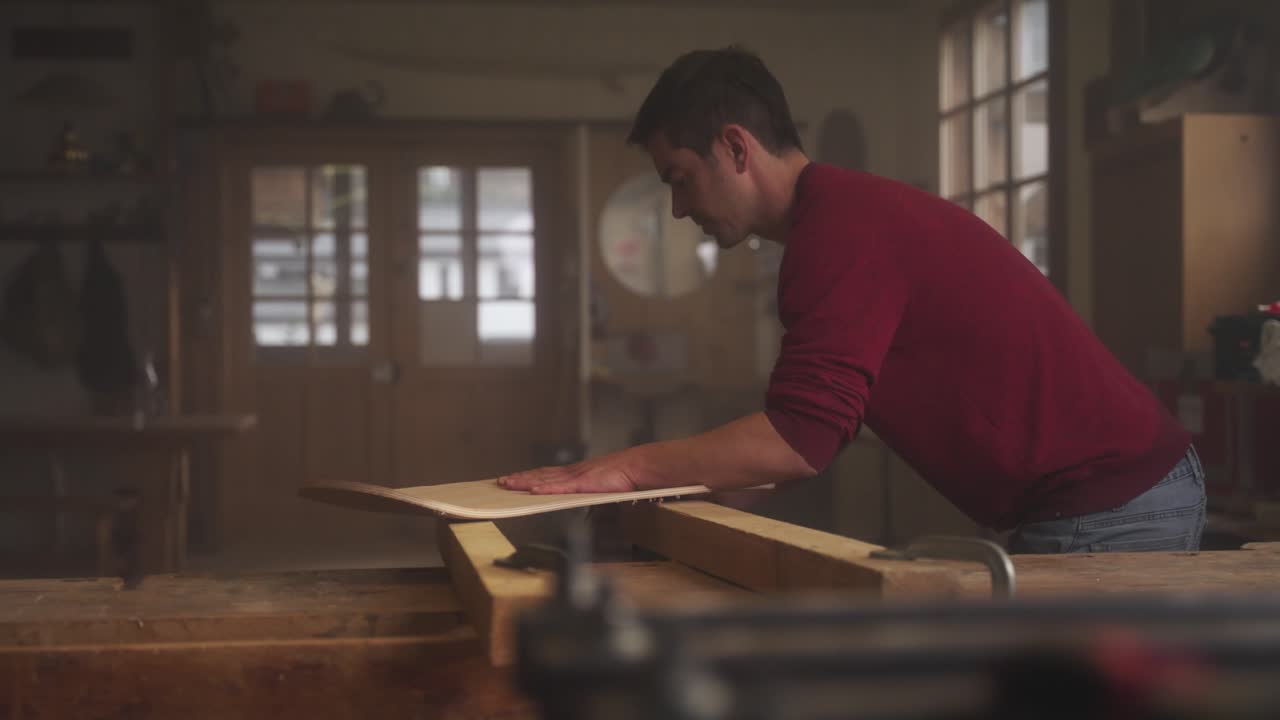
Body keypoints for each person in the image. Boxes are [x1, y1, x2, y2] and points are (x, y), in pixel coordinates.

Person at [498, 46, 1205, 554]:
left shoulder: (839, 232)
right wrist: (644, 514)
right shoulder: (835, 224)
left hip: (1113, 502)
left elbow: (797, 441)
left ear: (737, 149)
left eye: (680, 178)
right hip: (1116, 492)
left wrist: (628, 466)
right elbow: (796, 448)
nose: (680, 209)